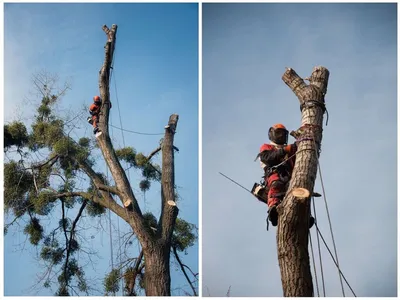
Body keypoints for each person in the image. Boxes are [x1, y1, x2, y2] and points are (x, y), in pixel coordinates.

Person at [258, 123, 314, 227]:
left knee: (301, 191)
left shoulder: (289, 149)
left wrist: (299, 145)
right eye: (278, 133)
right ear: (272, 133)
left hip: (290, 176)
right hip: (275, 173)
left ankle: (305, 215)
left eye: (283, 134)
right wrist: (284, 150)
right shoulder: (267, 147)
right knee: (276, 185)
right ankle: (273, 208)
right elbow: (267, 158)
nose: (281, 136)